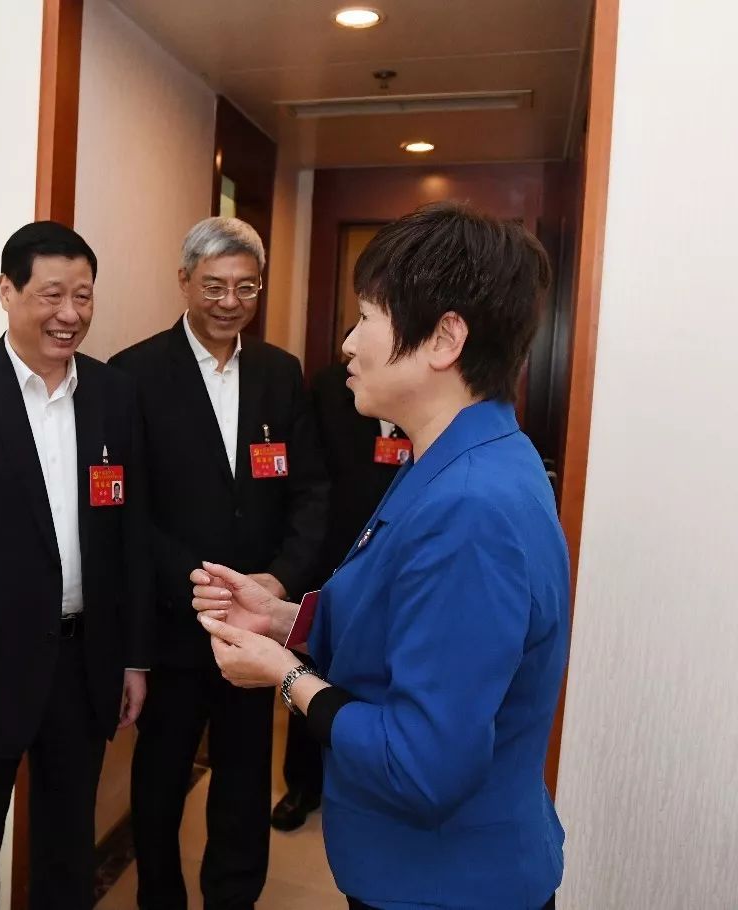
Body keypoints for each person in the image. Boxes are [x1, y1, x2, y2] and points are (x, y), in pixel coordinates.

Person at [193, 201, 567, 910]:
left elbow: (423, 765)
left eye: (366, 317)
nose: (347, 343)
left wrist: (286, 675)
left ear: (444, 339)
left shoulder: (471, 507)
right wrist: (282, 619)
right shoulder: (454, 457)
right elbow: (402, 617)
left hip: (447, 885)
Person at [0, 221, 153, 910]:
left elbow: (131, 534)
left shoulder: (115, 395)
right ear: (6, 290)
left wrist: (133, 658)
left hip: (83, 662)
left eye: (83, 296)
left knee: (67, 844)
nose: (70, 314)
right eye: (52, 295)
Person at [109, 217, 328, 910]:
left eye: (246, 287)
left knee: (243, 779)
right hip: (177, 620)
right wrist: (201, 585)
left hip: (256, 627)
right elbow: (130, 508)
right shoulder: (134, 374)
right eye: (214, 286)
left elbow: (310, 490)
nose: (230, 302)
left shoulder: (279, 372)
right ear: (184, 282)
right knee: (160, 780)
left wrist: (279, 580)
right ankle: (160, 898)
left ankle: (233, 898)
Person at [271, 350, 411, 833]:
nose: (353, 341)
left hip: (404, 556)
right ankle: (303, 784)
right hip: (335, 555)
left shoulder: (431, 388)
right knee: (315, 666)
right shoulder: (332, 386)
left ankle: (375, 786)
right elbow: (312, 481)